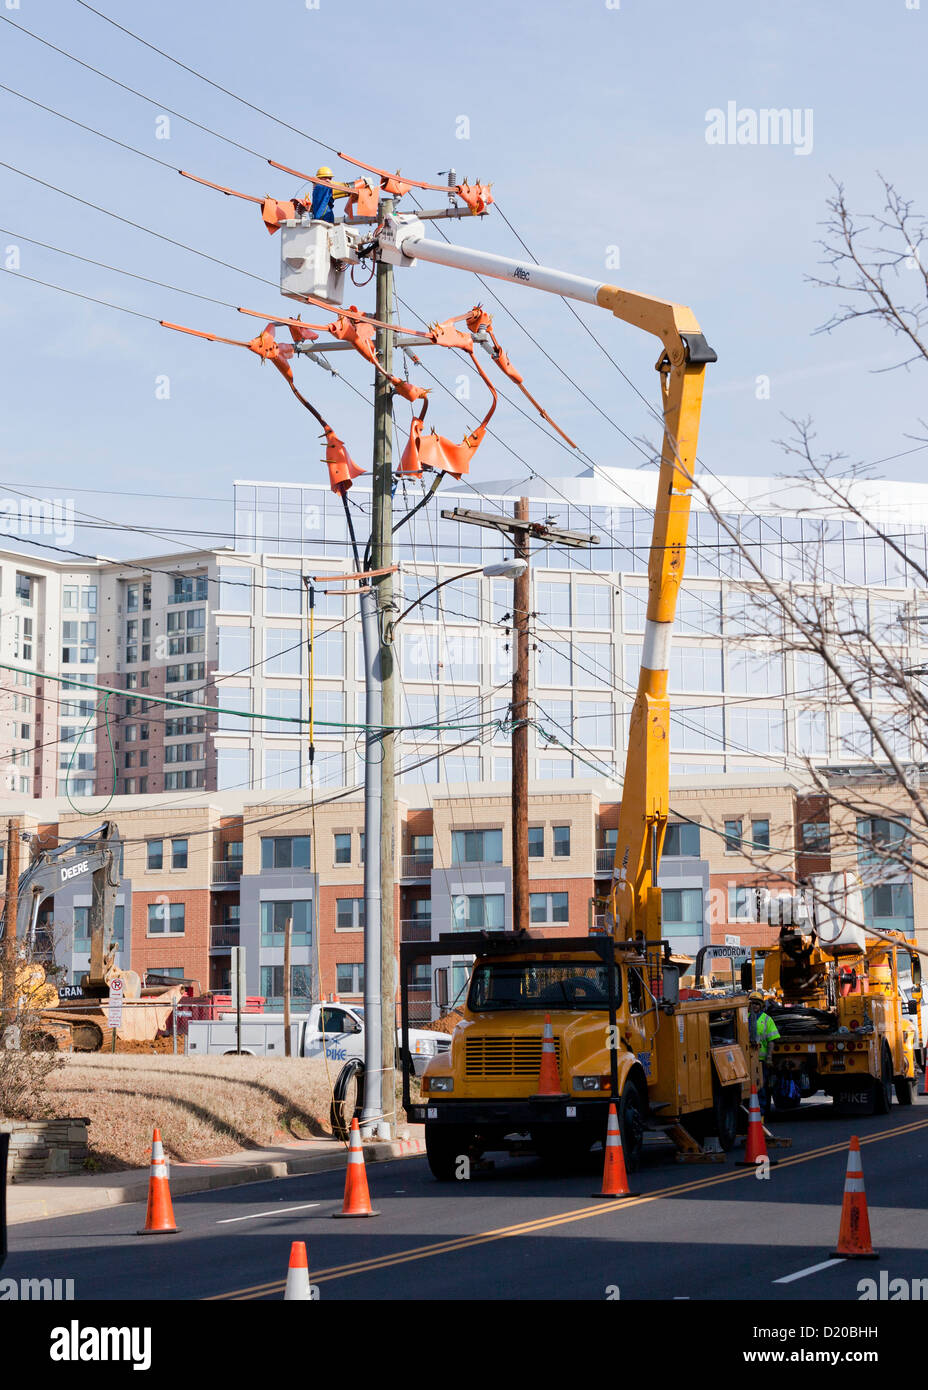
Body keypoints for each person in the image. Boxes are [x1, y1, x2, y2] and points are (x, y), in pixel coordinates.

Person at [748, 990, 780, 1118]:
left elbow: (771, 1040)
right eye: (752, 1003)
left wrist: (769, 1057)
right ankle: (753, 1110)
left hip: (761, 1060)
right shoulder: (745, 1018)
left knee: (761, 1087)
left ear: (761, 1005)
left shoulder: (767, 1019)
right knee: (751, 1088)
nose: (754, 1006)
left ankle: (761, 1113)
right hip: (748, 1059)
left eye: (757, 1004)